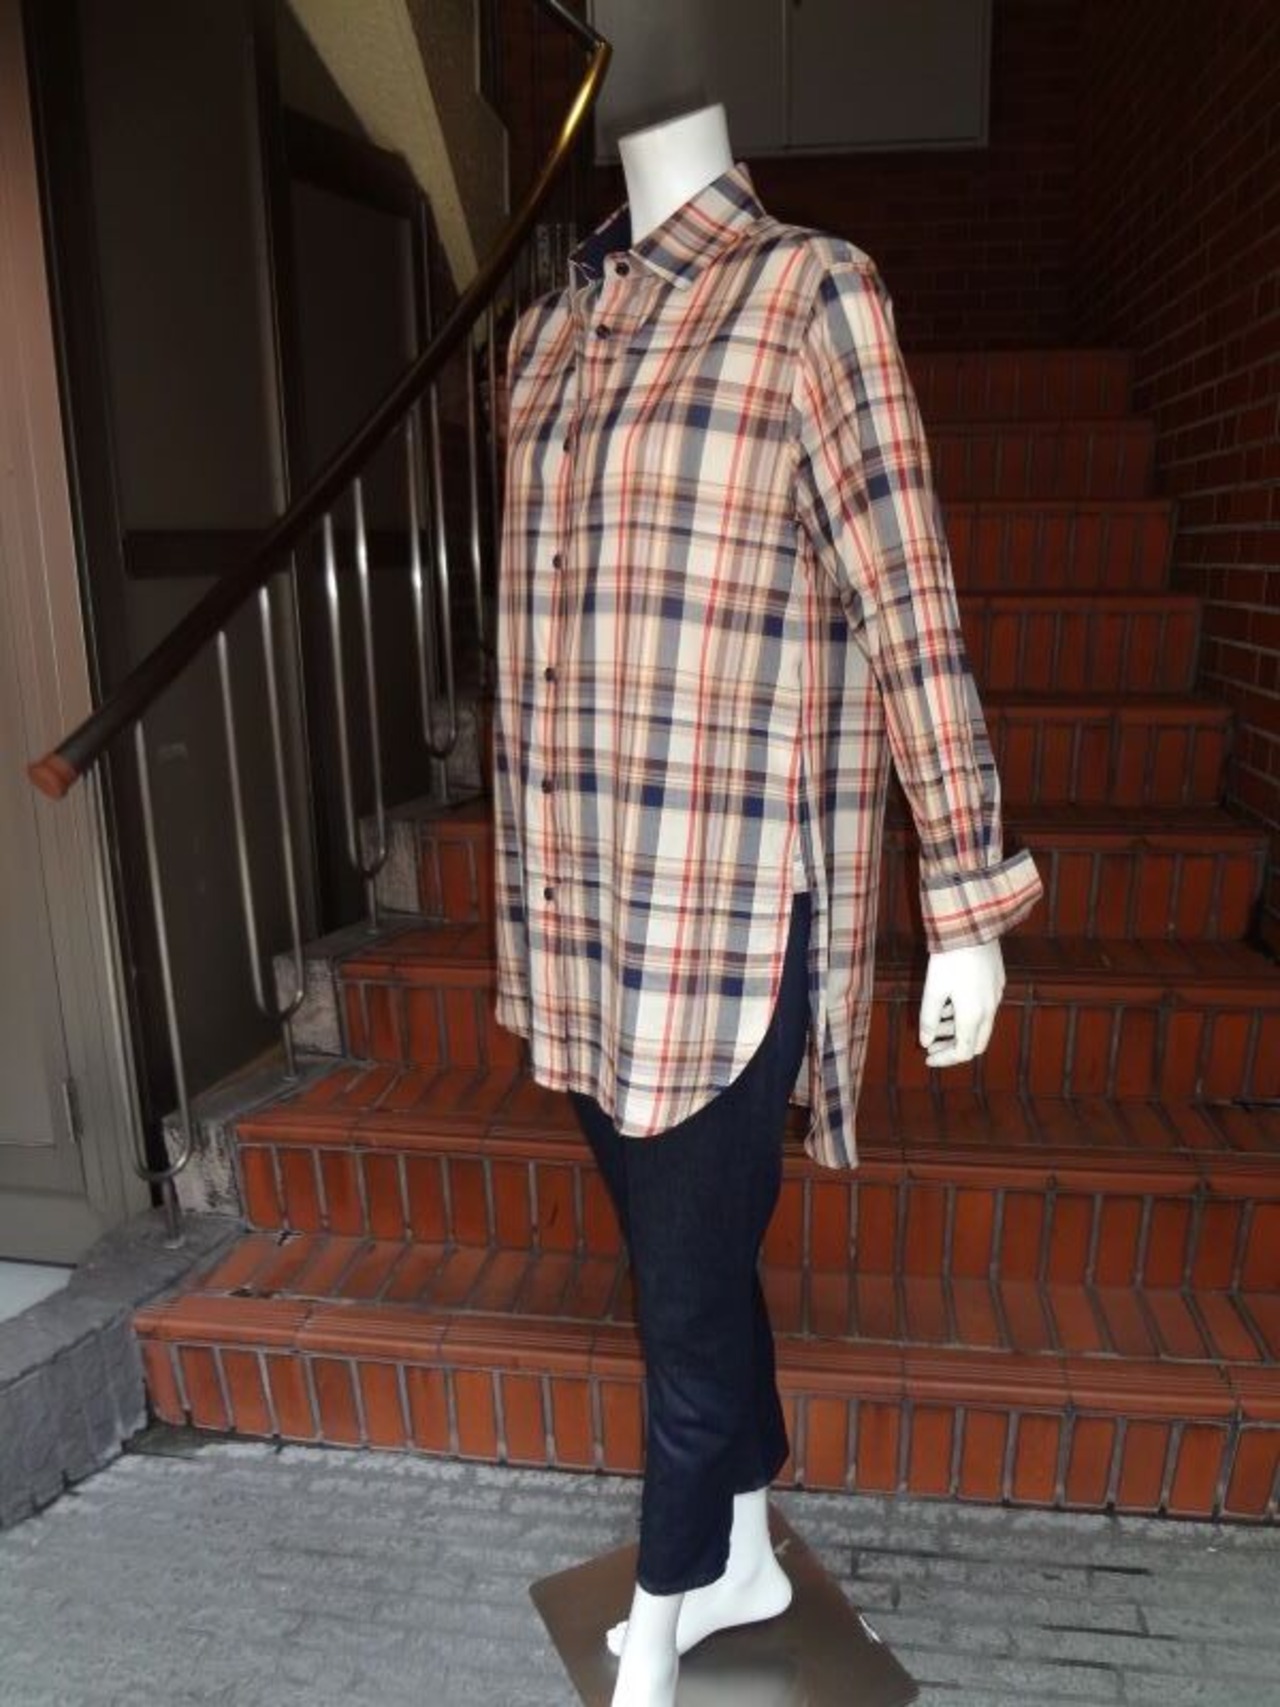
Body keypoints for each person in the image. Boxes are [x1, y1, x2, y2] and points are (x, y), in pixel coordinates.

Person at [492, 100, 1043, 1707]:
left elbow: (906, 600)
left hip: (722, 905)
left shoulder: (812, 294)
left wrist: (966, 897)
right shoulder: (543, 341)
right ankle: (740, 1541)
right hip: (578, 909)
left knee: (680, 1290)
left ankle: (669, 1612)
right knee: (692, 1257)